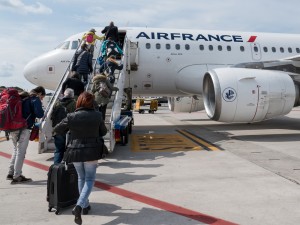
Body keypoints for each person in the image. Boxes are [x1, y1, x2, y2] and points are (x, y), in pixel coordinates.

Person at [53, 92, 107, 225]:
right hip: (92, 151)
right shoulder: (97, 115)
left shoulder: (71, 116)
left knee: (81, 178)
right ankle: (79, 205)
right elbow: (104, 132)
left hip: (75, 151)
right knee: (89, 179)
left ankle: (84, 205)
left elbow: (57, 129)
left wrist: (71, 129)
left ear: (79, 102)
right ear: (92, 102)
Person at [7, 86, 45, 184]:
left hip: (13, 127)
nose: (42, 99)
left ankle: (11, 173)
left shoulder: (23, 97)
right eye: (42, 97)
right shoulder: (34, 99)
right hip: (23, 129)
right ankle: (17, 176)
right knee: (21, 152)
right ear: (40, 93)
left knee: (16, 150)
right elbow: (40, 114)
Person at [51, 88, 76, 164]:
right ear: (72, 95)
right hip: (69, 130)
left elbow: (52, 116)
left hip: (58, 130)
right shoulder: (75, 103)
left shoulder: (57, 103)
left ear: (64, 94)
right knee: (71, 150)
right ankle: (69, 169)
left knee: (58, 150)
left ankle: (56, 169)